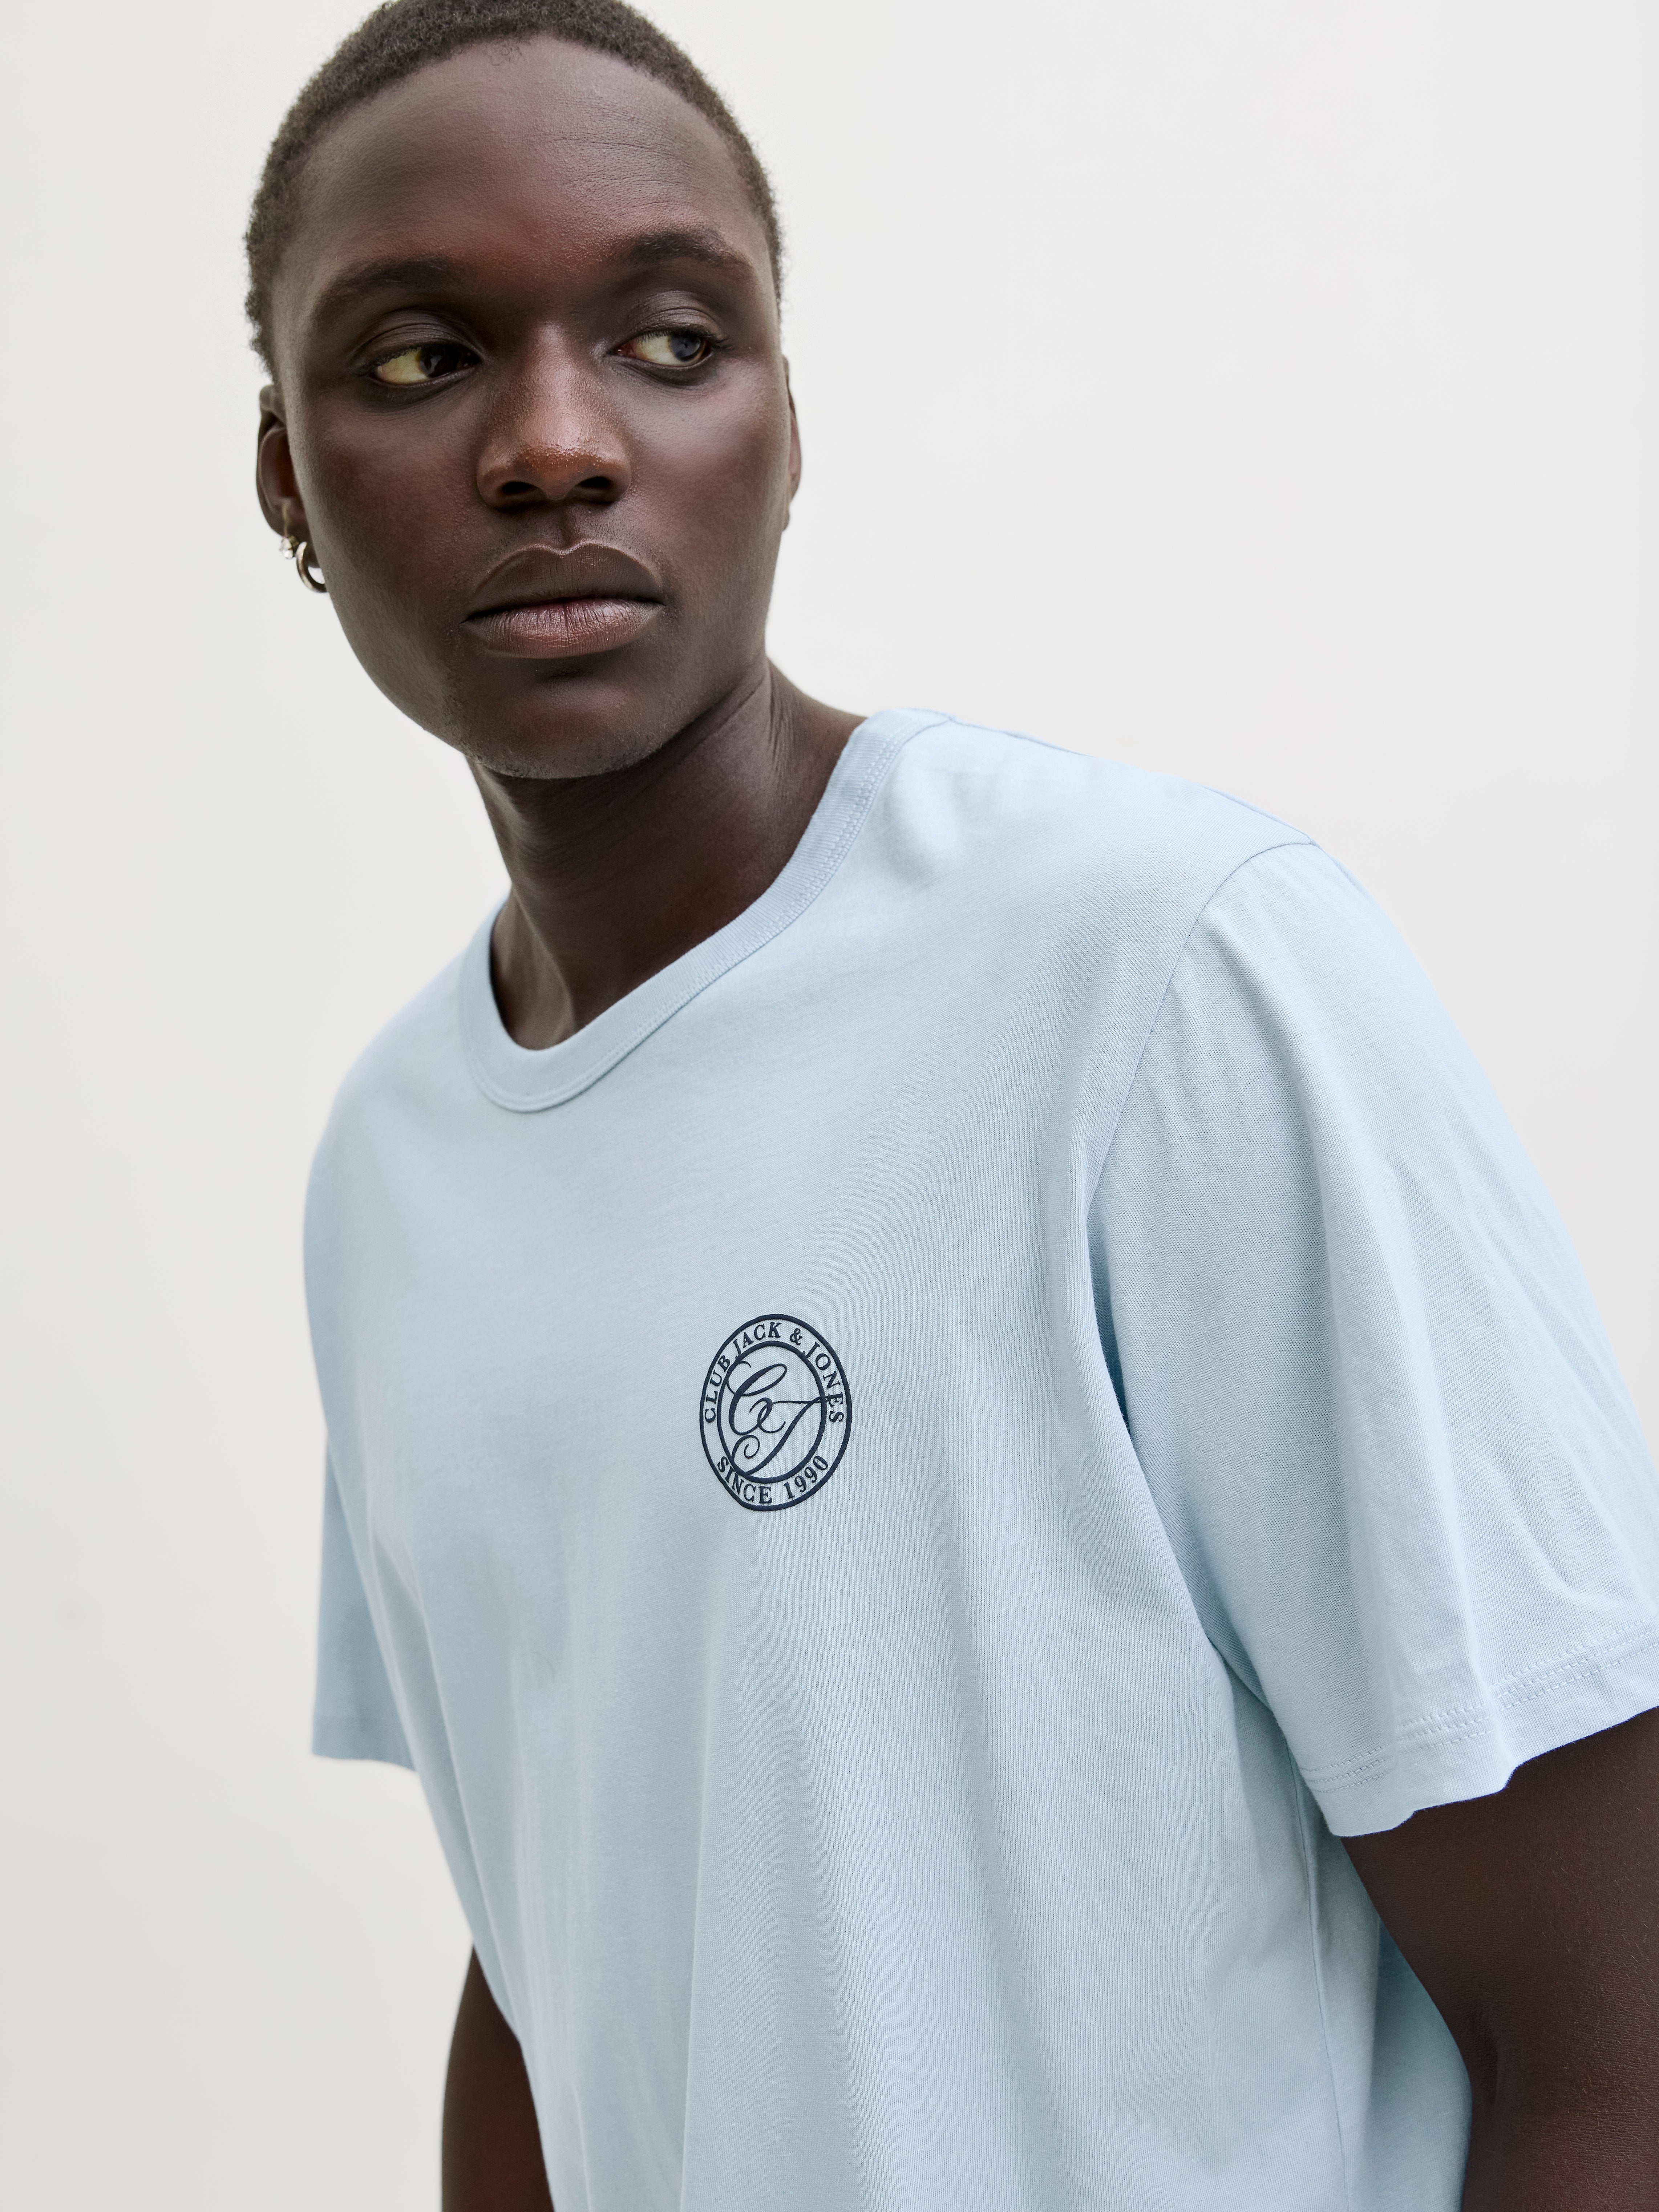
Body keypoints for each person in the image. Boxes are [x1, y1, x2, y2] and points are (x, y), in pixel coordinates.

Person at [250, 2, 1659, 2204]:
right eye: (422, 359)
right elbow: (560, 1945)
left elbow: (1606, 2028)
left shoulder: (1158, 973)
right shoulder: (393, 1168)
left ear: (783, 426)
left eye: (670, 342)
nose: (555, 446)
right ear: (288, 482)